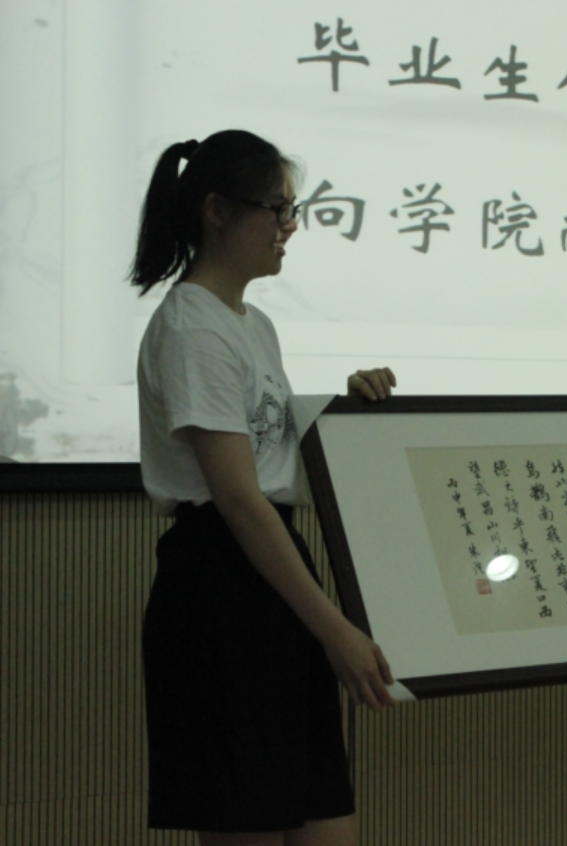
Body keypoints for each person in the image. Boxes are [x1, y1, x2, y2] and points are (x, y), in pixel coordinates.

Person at [131, 130, 398, 846]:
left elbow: (270, 454)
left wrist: (348, 408)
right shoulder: (191, 327)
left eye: (292, 209)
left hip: (271, 578)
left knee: (324, 820)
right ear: (217, 211)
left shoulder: (253, 324)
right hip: (222, 585)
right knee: (248, 820)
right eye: (275, 209)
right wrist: (336, 629)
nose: (289, 226)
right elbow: (239, 499)